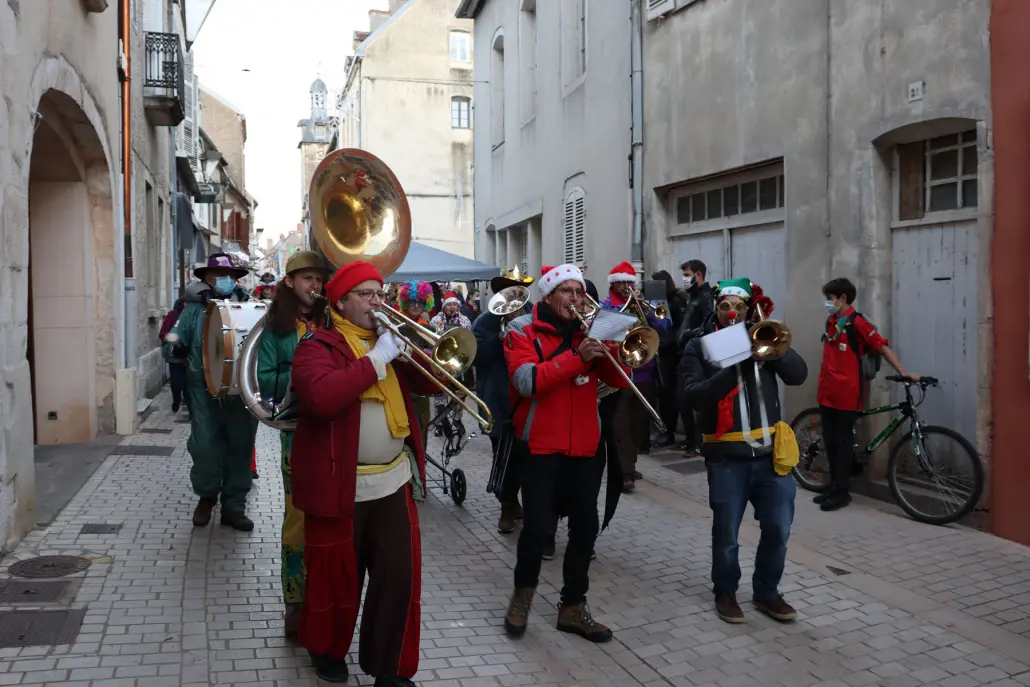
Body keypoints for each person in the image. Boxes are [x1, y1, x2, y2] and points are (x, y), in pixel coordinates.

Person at [290, 260, 437, 687]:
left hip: (393, 481)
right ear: (341, 302)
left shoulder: (389, 341)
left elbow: (434, 385)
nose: (378, 302)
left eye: (381, 293)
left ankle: (389, 667)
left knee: (397, 576)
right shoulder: (316, 345)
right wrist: (377, 359)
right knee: (336, 578)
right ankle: (327, 650)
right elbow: (322, 397)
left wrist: (413, 351)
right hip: (338, 484)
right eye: (368, 294)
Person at [502, 264, 628, 644]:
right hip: (540, 445)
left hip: (585, 446)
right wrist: (578, 356)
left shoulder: (590, 330)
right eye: (568, 291)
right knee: (538, 528)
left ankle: (573, 607)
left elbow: (618, 381)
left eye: (580, 292)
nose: (576, 299)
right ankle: (522, 596)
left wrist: (615, 348)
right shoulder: (520, 329)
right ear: (549, 294)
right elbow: (527, 381)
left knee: (585, 528)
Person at [679, 278, 808, 625]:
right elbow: (693, 396)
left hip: (770, 456)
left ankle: (767, 591)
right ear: (716, 307)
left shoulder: (760, 337)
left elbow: (798, 375)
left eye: (739, 306)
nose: (732, 313)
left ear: (749, 309)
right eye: (725, 306)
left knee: (778, 528)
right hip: (726, 458)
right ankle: (725, 591)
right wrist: (736, 365)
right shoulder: (700, 346)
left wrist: (770, 344)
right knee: (727, 535)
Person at [255, 250, 328, 637]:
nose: (315, 285)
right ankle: (295, 601)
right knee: (297, 518)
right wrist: (304, 377)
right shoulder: (276, 328)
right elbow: (265, 378)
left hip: (333, 429)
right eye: (307, 279)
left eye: (318, 279)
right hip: (297, 432)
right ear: (289, 282)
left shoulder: (333, 320)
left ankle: (326, 597)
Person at [162, 253, 258, 531]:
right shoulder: (191, 310)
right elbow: (170, 338)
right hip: (203, 389)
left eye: (229, 275)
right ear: (206, 278)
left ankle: (234, 507)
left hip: (240, 390)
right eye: (217, 275)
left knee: (240, 447)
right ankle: (206, 496)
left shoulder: (249, 306)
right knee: (204, 446)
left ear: (236, 279)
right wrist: (176, 347)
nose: (224, 280)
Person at [818, 277, 918, 511]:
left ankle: (842, 493)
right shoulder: (831, 321)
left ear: (843, 298)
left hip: (847, 394)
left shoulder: (858, 323)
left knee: (843, 443)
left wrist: (903, 372)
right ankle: (832, 486)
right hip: (826, 392)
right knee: (830, 441)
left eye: (830, 298)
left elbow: (882, 347)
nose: (827, 303)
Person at [600, 261, 671, 492]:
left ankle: (630, 463)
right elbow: (601, 332)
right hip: (618, 373)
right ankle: (624, 472)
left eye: (629, 283)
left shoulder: (645, 304)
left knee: (638, 425)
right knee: (620, 426)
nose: (625, 287)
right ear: (613, 284)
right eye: (621, 283)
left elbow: (666, 327)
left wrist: (649, 314)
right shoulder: (605, 305)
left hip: (643, 372)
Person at [474, 270, 534, 534]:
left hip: (526, 398)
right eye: (509, 289)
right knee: (504, 458)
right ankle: (507, 507)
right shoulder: (485, 321)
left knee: (529, 458)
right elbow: (476, 356)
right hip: (498, 400)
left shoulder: (533, 315)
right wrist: (497, 341)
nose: (515, 295)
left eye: (519, 289)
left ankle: (529, 506)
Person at [678, 259, 716, 454]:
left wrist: (689, 334)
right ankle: (690, 439)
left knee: (694, 400)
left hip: (698, 353)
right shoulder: (692, 296)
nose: (684, 279)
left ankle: (699, 442)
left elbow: (708, 325)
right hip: (685, 352)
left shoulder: (706, 296)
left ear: (698, 275)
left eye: (687, 275)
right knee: (682, 399)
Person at [651, 270, 688, 448]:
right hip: (661, 351)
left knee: (669, 395)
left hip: (672, 353)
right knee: (663, 395)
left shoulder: (676, 301)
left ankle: (669, 432)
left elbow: (679, 328)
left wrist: (664, 342)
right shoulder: (659, 300)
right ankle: (665, 431)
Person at [396, 280, 434, 447]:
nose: (416, 306)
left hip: (420, 388)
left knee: (421, 432)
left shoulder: (429, 329)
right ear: (405, 302)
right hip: (399, 385)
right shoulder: (394, 323)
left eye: (420, 302)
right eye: (412, 301)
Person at [159, 297, 189, 415]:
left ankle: (190, 407)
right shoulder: (173, 315)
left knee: (189, 384)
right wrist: (173, 339)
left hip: (191, 356)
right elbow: (163, 334)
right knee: (177, 383)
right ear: (184, 303)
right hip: (176, 355)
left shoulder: (196, 315)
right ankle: (176, 400)